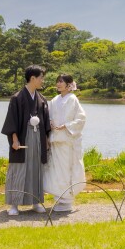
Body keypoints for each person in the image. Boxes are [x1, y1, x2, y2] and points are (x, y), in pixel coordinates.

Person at [1, 65, 51, 216]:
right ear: (33, 78)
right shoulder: (17, 98)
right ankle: (14, 204)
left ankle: (35, 202)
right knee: (18, 170)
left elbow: (46, 121)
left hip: (38, 138)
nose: (43, 81)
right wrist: (14, 140)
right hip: (22, 137)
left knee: (36, 169)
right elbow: (12, 121)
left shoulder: (41, 99)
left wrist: (47, 139)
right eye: (41, 78)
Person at [43, 73, 86, 212]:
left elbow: (81, 119)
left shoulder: (73, 99)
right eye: (58, 81)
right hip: (56, 139)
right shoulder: (55, 99)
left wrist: (66, 126)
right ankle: (59, 198)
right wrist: (49, 123)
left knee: (66, 169)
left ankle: (67, 200)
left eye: (61, 81)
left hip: (67, 140)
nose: (58, 84)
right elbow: (49, 115)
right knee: (56, 170)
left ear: (69, 84)